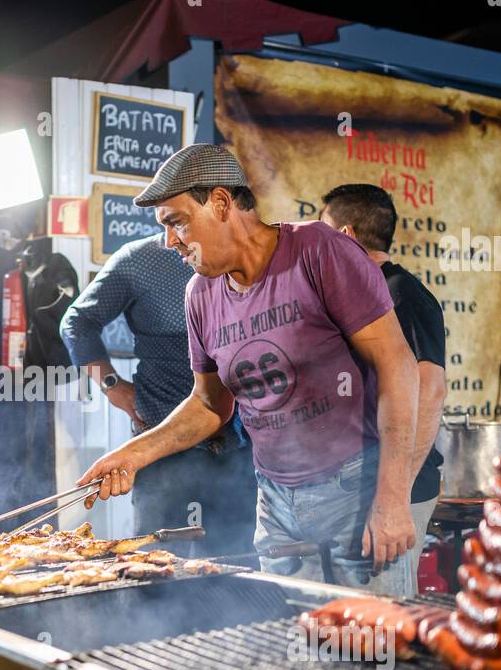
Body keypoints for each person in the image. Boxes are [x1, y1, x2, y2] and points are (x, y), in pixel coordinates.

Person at [78, 144, 420, 597]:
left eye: (176, 222)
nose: (169, 241)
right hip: (274, 499)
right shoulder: (200, 293)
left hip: (353, 488)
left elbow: (398, 366)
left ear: (220, 203)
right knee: (298, 648)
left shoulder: (320, 251)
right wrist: (134, 454)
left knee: (374, 649)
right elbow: (208, 405)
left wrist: (394, 497)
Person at [60, 233, 256, 555]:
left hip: (237, 447)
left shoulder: (242, 255)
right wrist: (113, 387)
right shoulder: (138, 259)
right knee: (156, 573)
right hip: (161, 448)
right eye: (166, 219)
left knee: (234, 569)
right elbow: (77, 323)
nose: (171, 233)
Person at [319, 184, 447, 578]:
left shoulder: (401, 295)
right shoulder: (364, 296)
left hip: (390, 498)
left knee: (378, 630)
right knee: (338, 626)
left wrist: (394, 498)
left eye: (323, 233)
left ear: (345, 237)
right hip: (353, 494)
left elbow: (429, 391)